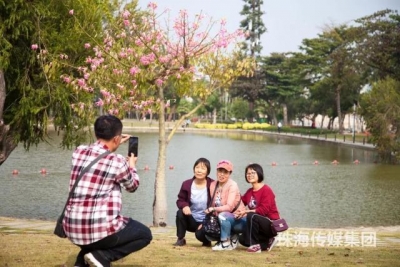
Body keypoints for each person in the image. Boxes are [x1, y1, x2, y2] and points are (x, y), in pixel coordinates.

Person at [63, 115, 152, 267]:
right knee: (144, 234)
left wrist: (113, 143)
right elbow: (133, 186)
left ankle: (82, 262)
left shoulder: (78, 151)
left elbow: (95, 153)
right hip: (96, 230)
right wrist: (131, 165)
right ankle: (102, 256)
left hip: (71, 227)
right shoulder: (117, 161)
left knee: (96, 232)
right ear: (117, 138)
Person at [235, 163, 280, 253]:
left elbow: (263, 210)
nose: (250, 175)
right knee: (242, 239)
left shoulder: (266, 190)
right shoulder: (249, 191)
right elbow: (240, 202)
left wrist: (246, 212)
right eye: (248, 173)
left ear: (259, 173)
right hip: (257, 225)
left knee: (251, 215)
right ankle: (267, 242)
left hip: (270, 224)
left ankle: (255, 246)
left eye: (253, 173)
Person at [205, 160, 245, 251]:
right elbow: (212, 203)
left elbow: (229, 207)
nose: (222, 174)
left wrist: (213, 209)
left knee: (223, 215)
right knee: (206, 230)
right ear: (216, 171)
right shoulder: (213, 185)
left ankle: (225, 242)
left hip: (238, 219)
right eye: (220, 171)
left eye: (225, 172)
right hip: (222, 217)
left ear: (230, 173)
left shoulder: (233, 185)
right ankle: (233, 238)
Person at [174, 157, 214, 247]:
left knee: (199, 235)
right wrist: (185, 206)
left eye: (203, 168)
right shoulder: (187, 184)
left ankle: (206, 240)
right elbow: (180, 200)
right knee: (180, 213)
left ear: (207, 171)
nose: (199, 171)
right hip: (191, 219)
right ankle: (181, 239)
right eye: (197, 167)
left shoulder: (213, 184)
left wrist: (205, 222)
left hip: (206, 220)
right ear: (194, 169)